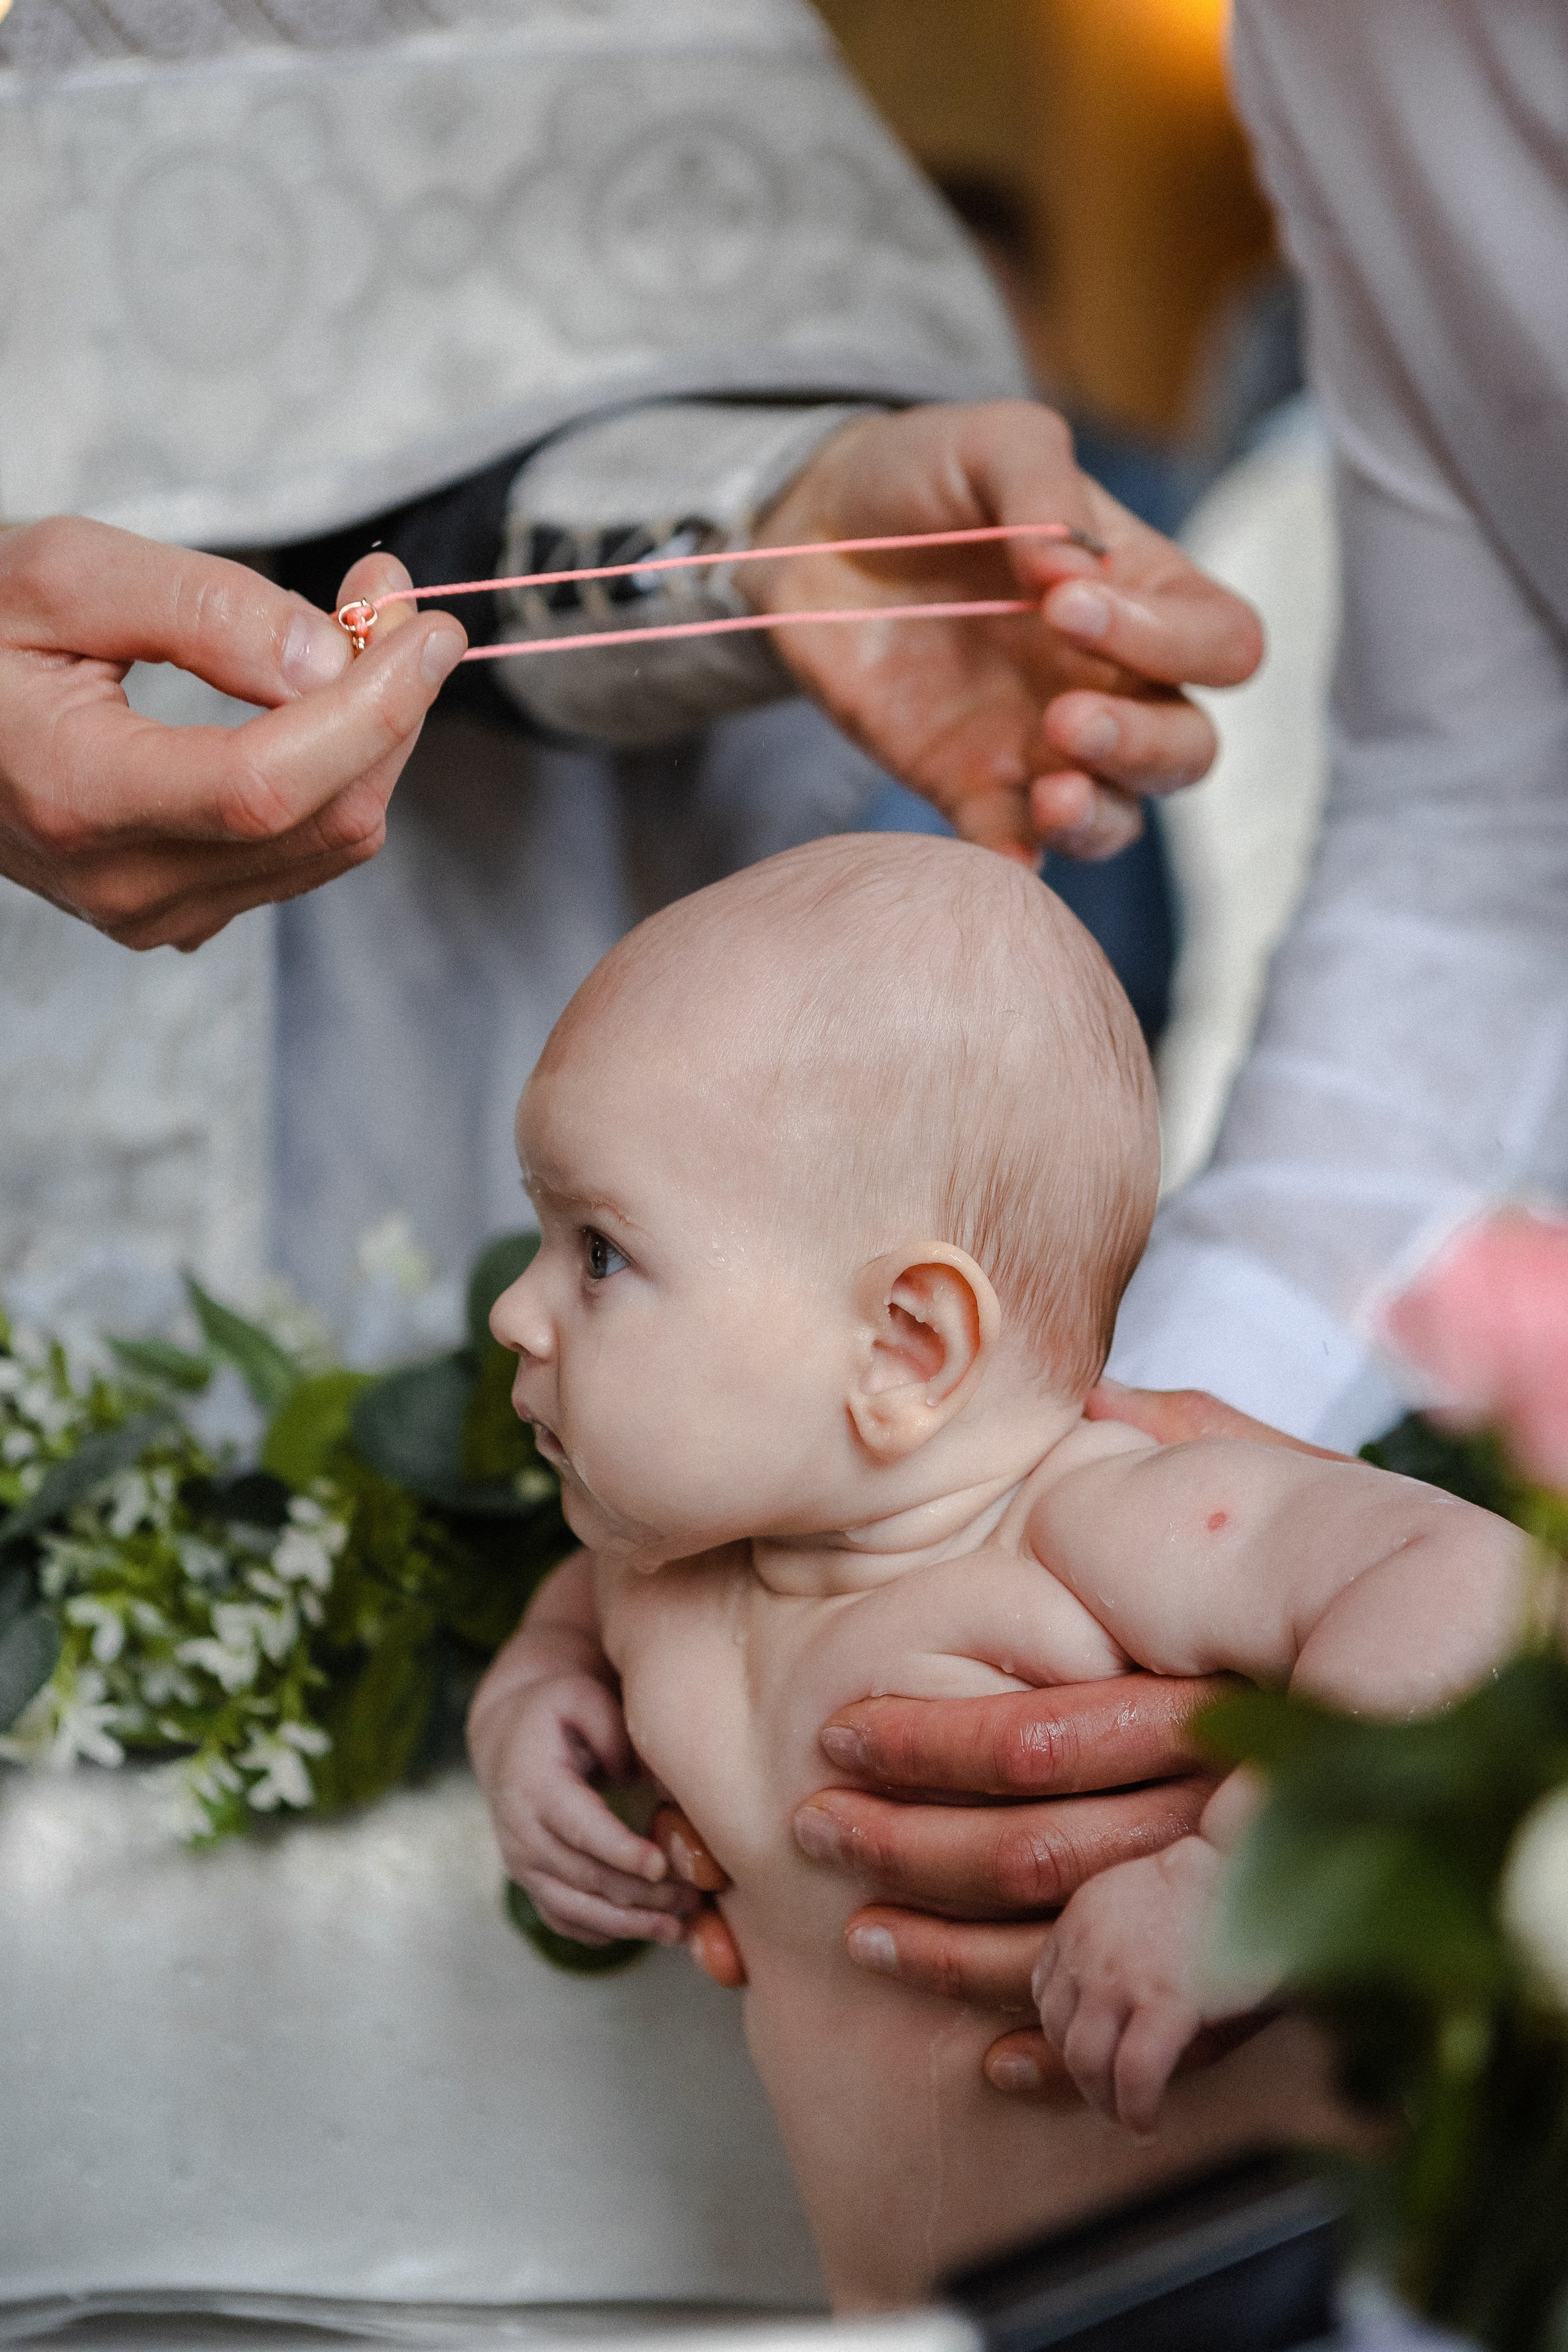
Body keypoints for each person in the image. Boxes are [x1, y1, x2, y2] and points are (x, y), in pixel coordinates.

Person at [468, 832, 1522, 2307]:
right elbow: (573, 1607)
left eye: (597, 1252)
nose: (518, 1312)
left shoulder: (1091, 1531)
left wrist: (1246, 1873)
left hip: (1259, 2314)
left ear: (903, 1345)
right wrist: (528, 1699)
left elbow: (1474, 1589)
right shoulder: (663, 1574)